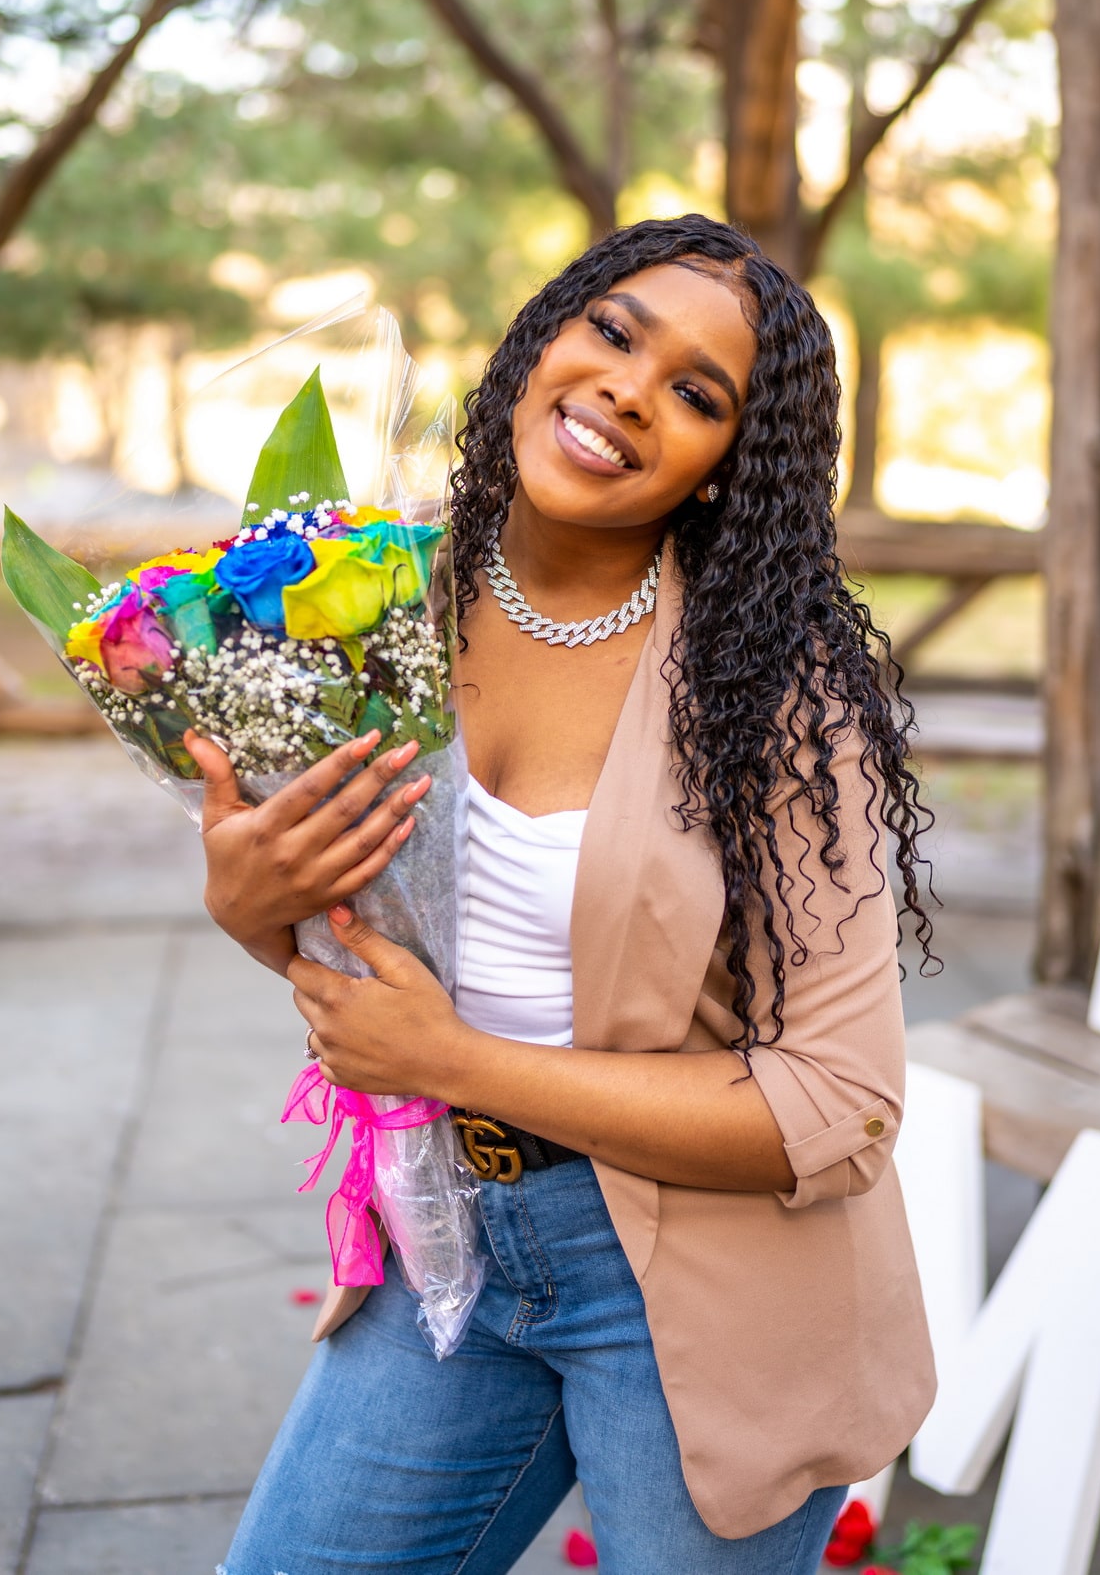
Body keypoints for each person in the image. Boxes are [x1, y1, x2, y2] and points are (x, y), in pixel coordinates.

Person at [191, 215, 937, 1575]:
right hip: (447, 1240)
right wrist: (250, 904)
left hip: (708, 1285)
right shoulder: (366, 601)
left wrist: (456, 1059)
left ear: (727, 470)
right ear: (543, 338)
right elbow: (381, 952)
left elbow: (840, 1106)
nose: (630, 390)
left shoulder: (770, 689)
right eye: (612, 332)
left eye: (699, 395)